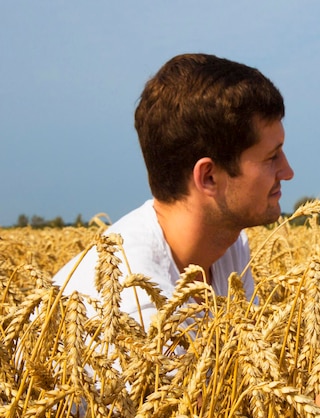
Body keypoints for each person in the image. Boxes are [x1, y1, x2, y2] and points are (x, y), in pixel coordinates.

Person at [53, 53, 294, 330]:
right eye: (272, 157)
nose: (288, 172)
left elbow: (253, 346)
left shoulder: (230, 248)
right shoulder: (133, 310)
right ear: (209, 176)